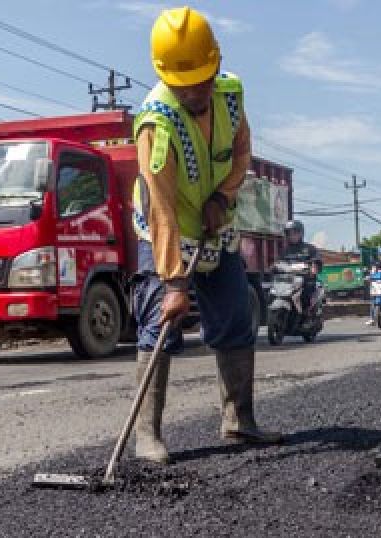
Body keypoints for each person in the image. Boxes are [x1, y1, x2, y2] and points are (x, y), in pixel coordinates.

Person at [129, 6, 282, 464]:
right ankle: (146, 436)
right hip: (167, 230)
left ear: (214, 65)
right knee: (161, 321)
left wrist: (222, 197)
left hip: (217, 225)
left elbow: (241, 154)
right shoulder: (156, 124)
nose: (195, 90)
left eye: (202, 78)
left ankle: (240, 421)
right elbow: (161, 209)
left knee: (237, 316)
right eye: (184, 83)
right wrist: (175, 283)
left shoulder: (231, 96)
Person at [282, 219, 321, 314]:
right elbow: (279, 263)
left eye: (295, 233)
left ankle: (308, 313)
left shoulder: (310, 248)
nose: (292, 236)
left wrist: (313, 268)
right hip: (289, 281)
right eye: (289, 234)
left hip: (306, 280)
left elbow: (316, 261)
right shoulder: (285, 251)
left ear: (301, 234)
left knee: (308, 291)